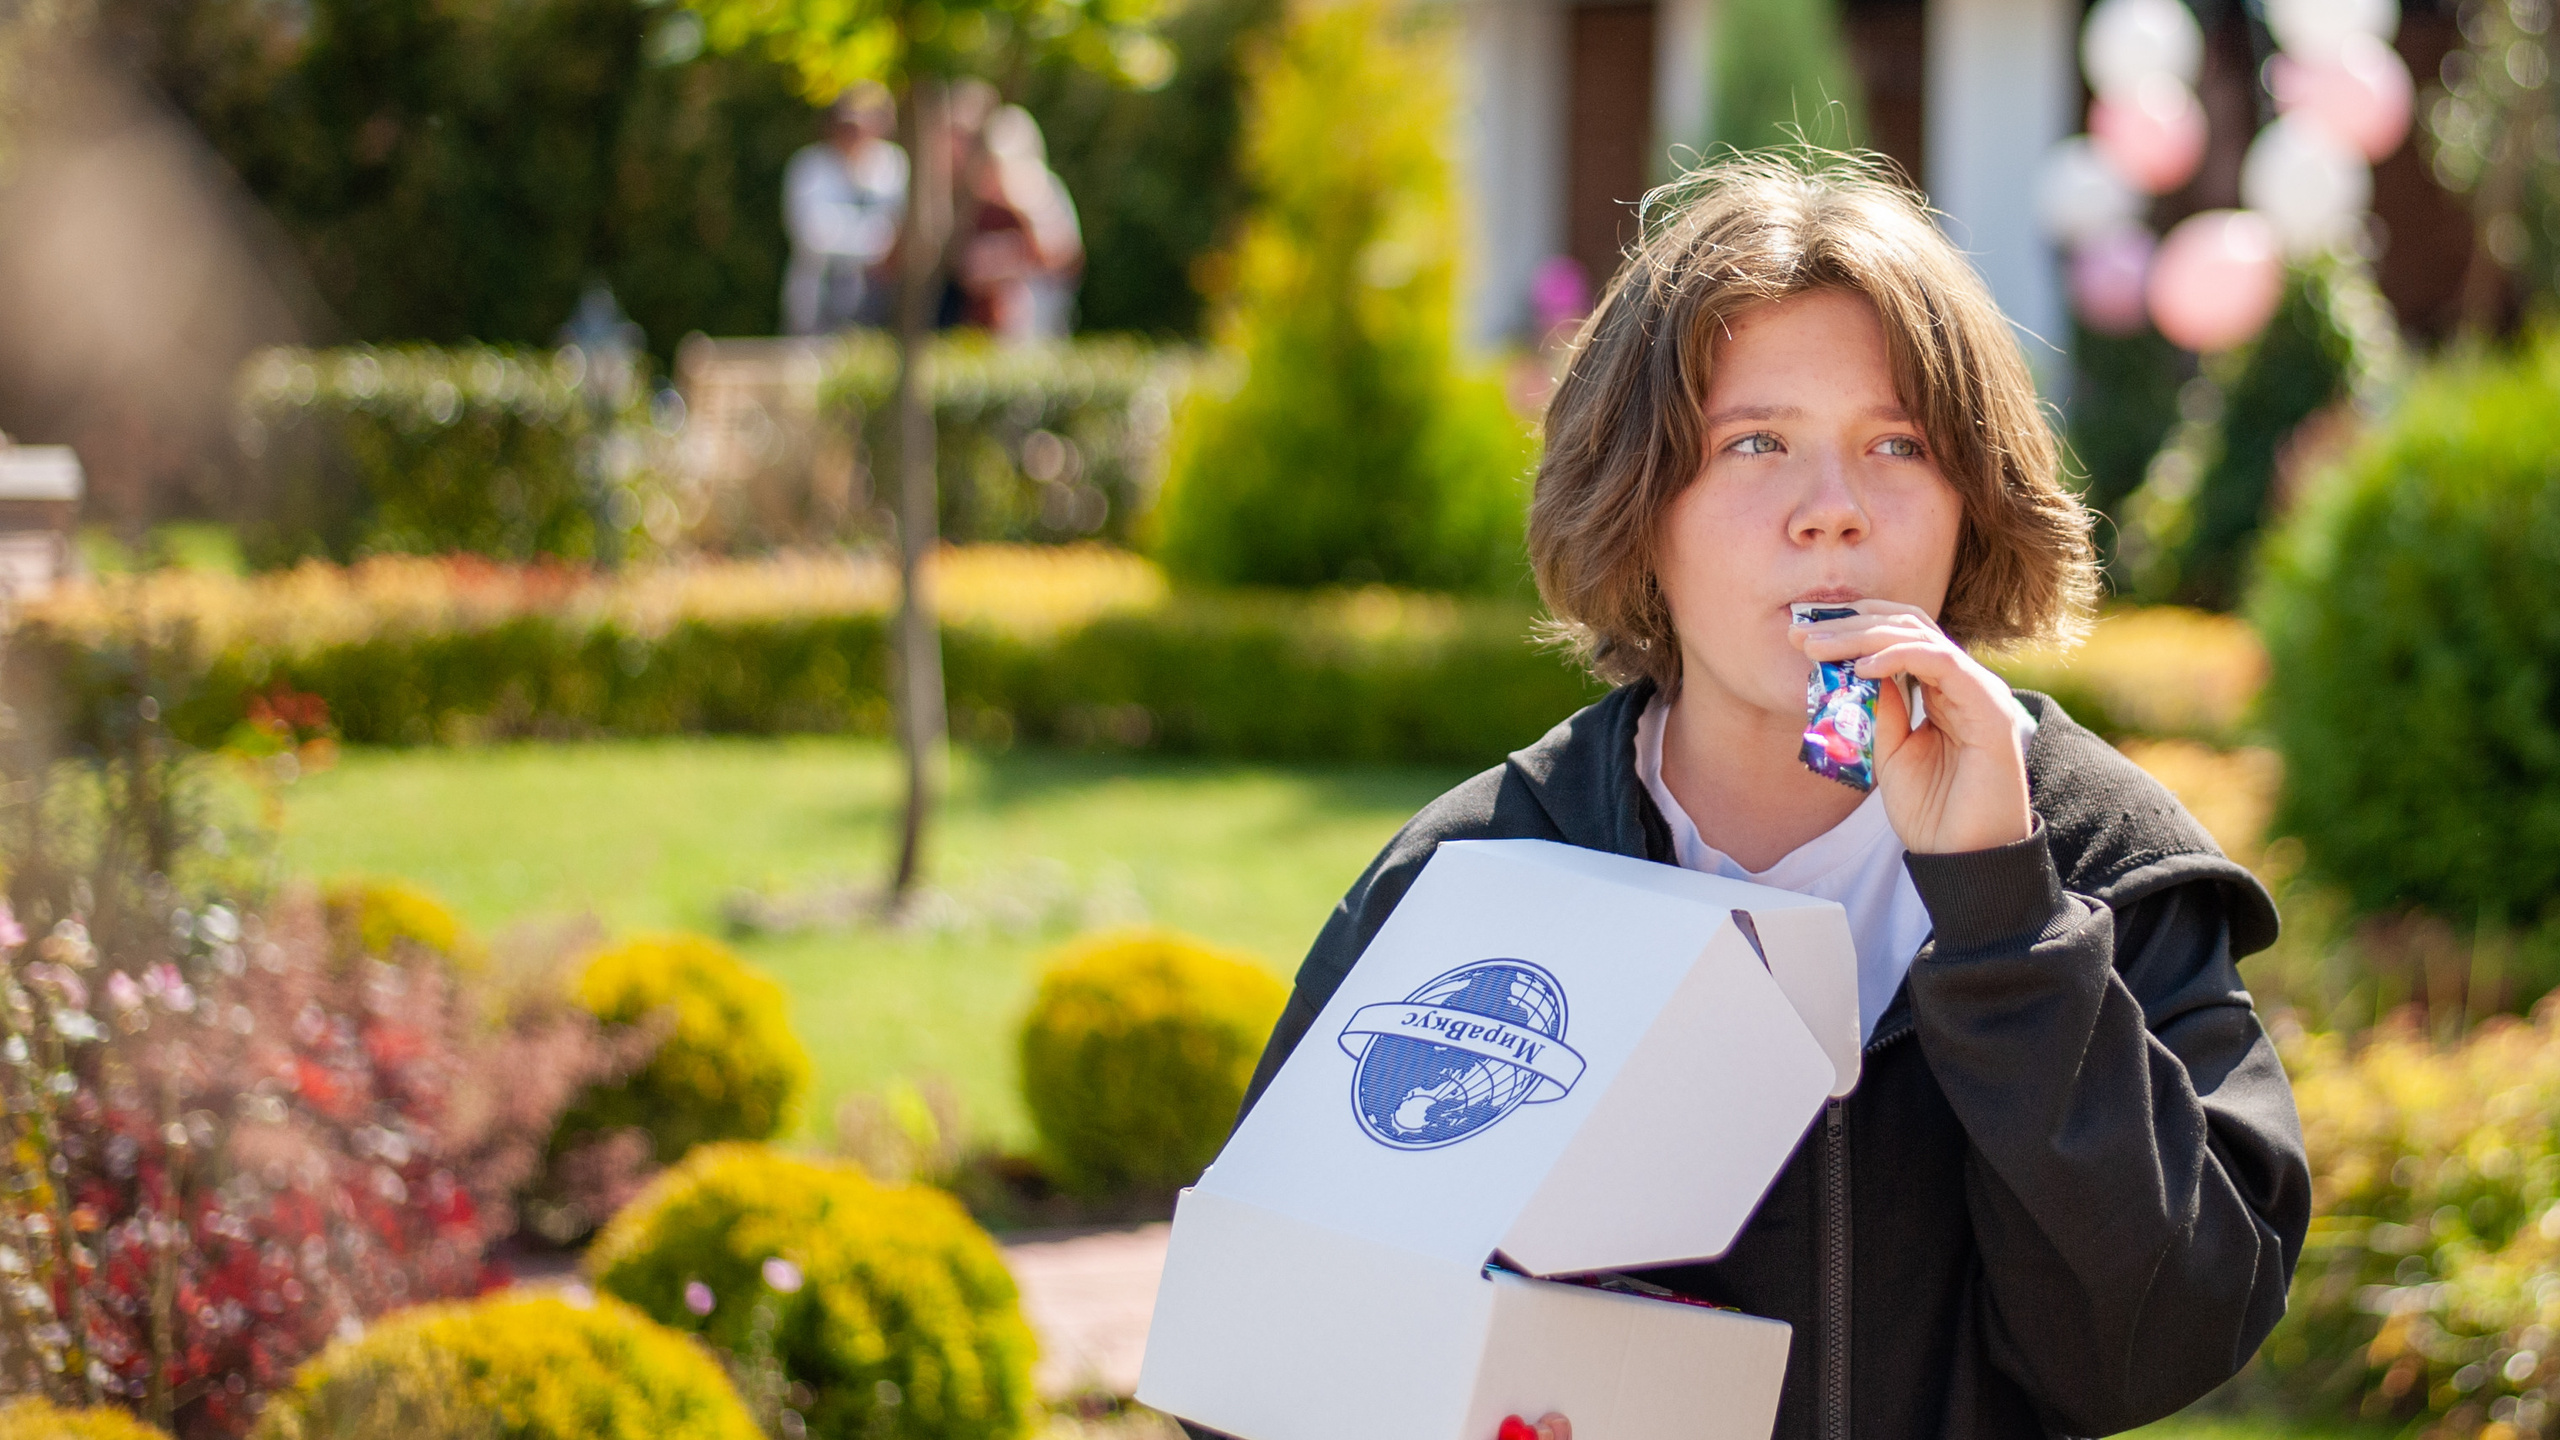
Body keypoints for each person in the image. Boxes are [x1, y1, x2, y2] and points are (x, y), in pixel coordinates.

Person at [1218, 151, 2310, 1440]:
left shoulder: (2103, 860)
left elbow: (2167, 1336)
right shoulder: (1483, 868)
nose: (1831, 513)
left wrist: (2005, 920)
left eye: (1896, 446)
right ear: (1642, 505)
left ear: (1973, 503)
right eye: (1755, 444)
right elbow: (1253, 1362)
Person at [780, 84, 907, 335]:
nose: (856, 133)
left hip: (879, 296)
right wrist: (876, 244)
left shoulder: (894, 165)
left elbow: (901, 228)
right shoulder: (810, 167)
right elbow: (813, 236)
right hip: (820, 293)